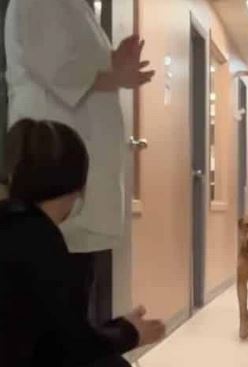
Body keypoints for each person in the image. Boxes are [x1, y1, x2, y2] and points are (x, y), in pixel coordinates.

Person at [0, 119, 166, 367]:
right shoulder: (38, 240)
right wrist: (129, 333)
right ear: (79, 185)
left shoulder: (12, 224)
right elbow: (71, 347)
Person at [5, 0, 155, 329]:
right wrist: (116, 74)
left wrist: (114, 62)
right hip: (54, 159)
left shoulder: (77, 7)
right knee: (55, 288)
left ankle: (86, 358)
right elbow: (60, 71)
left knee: (76, 283)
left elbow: (75, 66)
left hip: (74, 171)